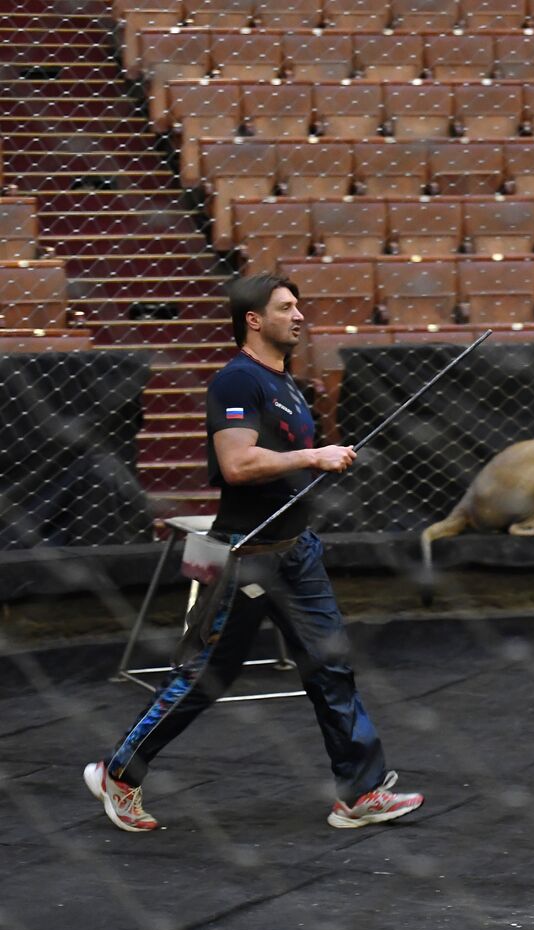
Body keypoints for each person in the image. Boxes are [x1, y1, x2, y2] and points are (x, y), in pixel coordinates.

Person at [84, 273, 424, 832]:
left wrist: (316, 460)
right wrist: (313, 458)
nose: (299, 316)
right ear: (254, 319)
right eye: (286, 307)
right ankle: (119, 772)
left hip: (298, 551)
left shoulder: (286, 382)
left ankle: (359, 792)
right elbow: (239, 465)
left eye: (299, 306)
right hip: (246, 555)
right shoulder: (237, 383)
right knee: (207, 676)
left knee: (331, 666)